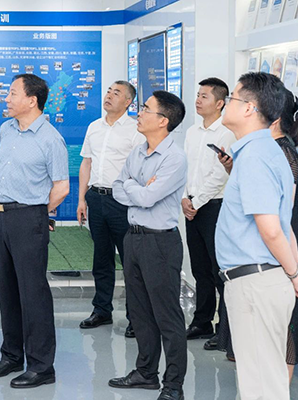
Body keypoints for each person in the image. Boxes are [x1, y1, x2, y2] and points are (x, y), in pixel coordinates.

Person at [215, 72, 298, 400]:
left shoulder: (256, 155)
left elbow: (272, 229)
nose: (225, 103)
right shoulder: (266, 151)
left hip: (256, 284)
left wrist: (294, 272)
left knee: (262, 389)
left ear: (249, 108)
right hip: (262, 281)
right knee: (265, 383)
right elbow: (285, 226)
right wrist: (297, 269)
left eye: (232, 97)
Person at [0, 74, 69, 389]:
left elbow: (61, 186)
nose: (6, 99)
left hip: (29, 217)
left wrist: (38, 212)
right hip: (1, 216)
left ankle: (41, 366)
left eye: (12, 93)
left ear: (32, 100)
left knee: (33, 293)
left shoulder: (50, 139)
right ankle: (12, 355)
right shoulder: (7, 129)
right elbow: (0, 171)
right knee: (7, 290)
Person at [110, 90, 187, 400]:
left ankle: (174, 386)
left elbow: (147, 197)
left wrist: (135, 188)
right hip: (133, 238)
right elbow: (118, 189)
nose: (139, 113)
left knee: (167, 316)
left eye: (145, 109)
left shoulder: (174, 158)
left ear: (163, 120)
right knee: (140, 312)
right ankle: (145, 373)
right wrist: (136, 186)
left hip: (160, 243)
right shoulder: (138, 151)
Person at [77, 81, 145, 336]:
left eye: (117, 93)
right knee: (101, 258)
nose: (109, 96)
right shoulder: (94, 127)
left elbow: (141, 168)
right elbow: (86, 163)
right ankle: (101, 310)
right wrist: (82, 199)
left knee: (130, 261)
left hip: (122, 201)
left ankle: (135, 317)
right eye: (108, 91)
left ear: (128, 102)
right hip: (96, 197)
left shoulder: (135, 130)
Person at [181, 78, 235, 342]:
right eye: (198, 95)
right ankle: (202, 322)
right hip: (192, 206)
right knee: (199, 269)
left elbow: (220, 175)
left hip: (214, 207)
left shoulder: (227, 133)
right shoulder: (192, 132)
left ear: (220, 103)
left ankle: (224, 328)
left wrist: (196, 201)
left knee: (218, 270)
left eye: (204, 96)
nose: (198, 100)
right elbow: (185, 169)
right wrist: (184, 198)